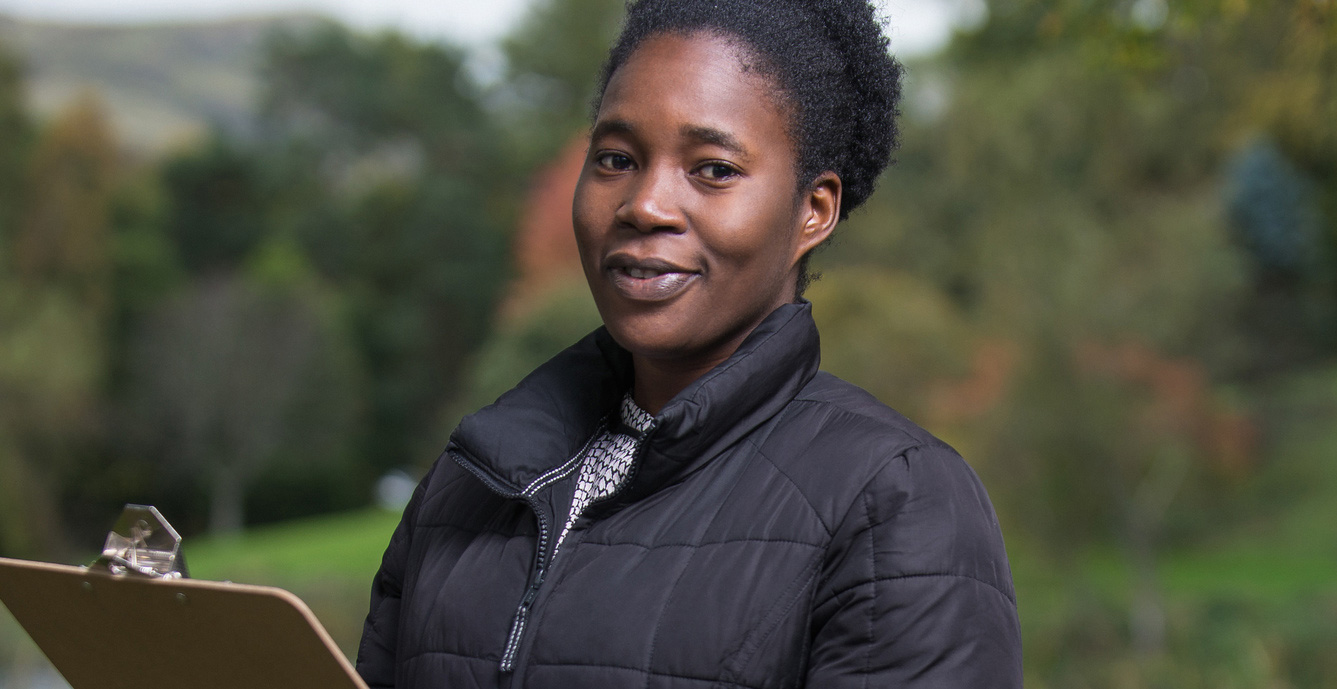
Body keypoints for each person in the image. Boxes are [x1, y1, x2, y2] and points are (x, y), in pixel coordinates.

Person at [353, 0, 1023, 686]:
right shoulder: (470, 479)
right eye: (616, 158)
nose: (645, 205)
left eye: (713, 170)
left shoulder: (893, 500)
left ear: (811, 211)